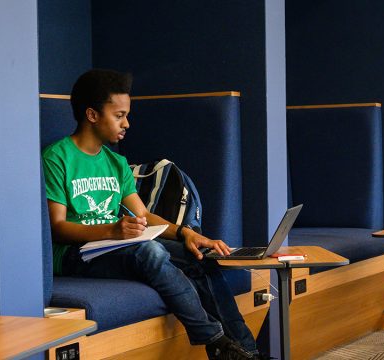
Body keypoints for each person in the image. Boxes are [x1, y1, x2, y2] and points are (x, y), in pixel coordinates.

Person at [42, 69, 263, 360]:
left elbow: (143, 213)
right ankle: (215, 341)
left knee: (198, 256)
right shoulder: (57, 158)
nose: (126, 124)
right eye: (119, 115)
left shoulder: (116, 162)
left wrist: (188, 233)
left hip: (116, 245)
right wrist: (111, 231)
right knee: (150, 252)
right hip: (76, 254)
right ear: (92, 115)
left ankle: (248, 352)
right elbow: (57, 227)